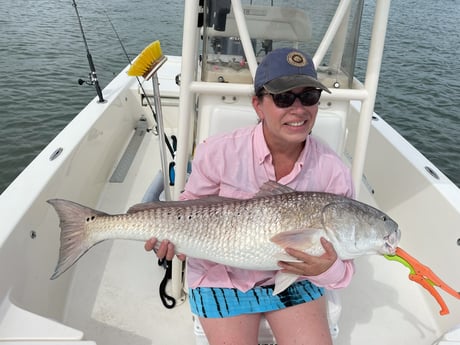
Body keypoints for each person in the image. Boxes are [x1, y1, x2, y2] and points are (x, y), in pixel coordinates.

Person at [145, 47, 355, 345]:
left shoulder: (333, 171)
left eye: (309, 96)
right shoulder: (218, 150)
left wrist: (325, 267)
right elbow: (188, 208)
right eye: (284, 98)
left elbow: (343, 272)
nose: (299, 109)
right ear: (258, 105)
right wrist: (168, 240)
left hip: (294, 277)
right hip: (221, 274)